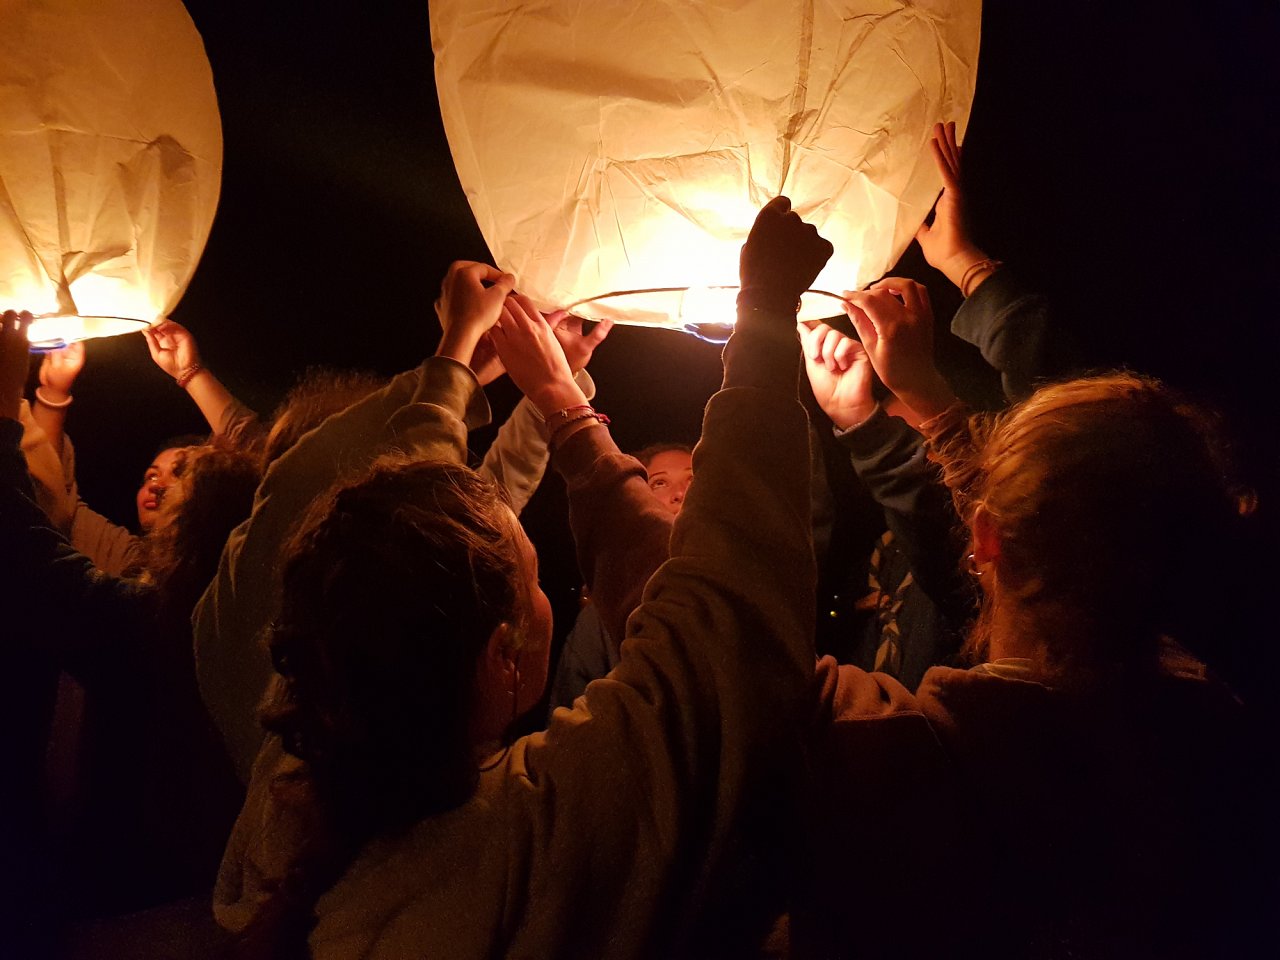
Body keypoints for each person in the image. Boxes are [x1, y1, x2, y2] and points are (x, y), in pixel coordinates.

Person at [214, 197, 829, 958]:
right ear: (503, 655)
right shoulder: (539, 832)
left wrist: (487, 371)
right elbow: (726, 623)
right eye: (531, 579)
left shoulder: (292, 798)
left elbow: (413, 539)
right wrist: (766, 318)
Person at [789, 284, 1269, 958]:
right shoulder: (1224, 742)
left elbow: (709, 634)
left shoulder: (881, 750)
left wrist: (584, 424)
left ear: (983, 538)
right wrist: (925, 402)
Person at [192, 279, 611, 784]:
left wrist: (532, 379)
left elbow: (490, 496)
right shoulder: (474, 815)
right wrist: (462, 355)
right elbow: (427, 515)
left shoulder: (247, 600)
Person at [0, 310, 254, 930]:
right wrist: (53, 392)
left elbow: (26, 549)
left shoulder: (182, 614)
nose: (157, 482)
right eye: (150, 473)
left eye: (185, 471)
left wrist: (7, 410)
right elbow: (54, 508)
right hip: (86, 851)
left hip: (139, 884)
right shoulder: (136, 565)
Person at [547, 442, 694, 712]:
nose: (680, 493)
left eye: (693, 479)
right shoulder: (600, 619)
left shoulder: (746, 588)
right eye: (659, 483)